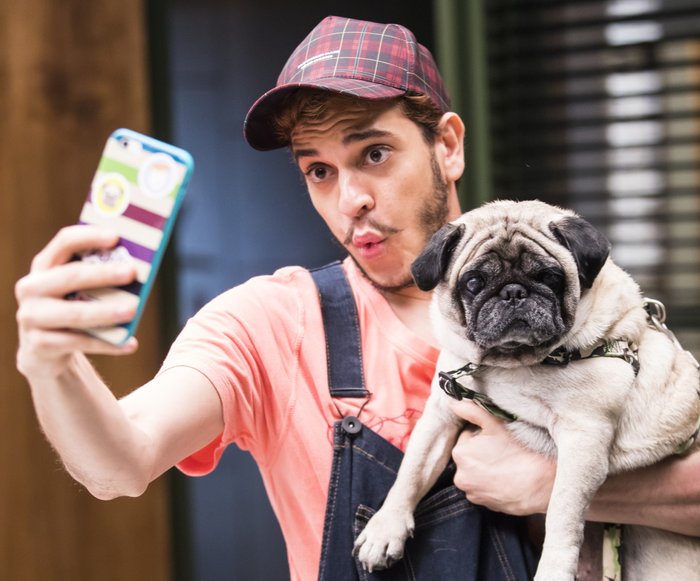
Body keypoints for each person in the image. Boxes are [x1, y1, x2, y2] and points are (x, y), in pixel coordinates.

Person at [15, 15, 700, 581]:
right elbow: (120, 462)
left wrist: (553, 482)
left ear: (448, 145)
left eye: (373, 153)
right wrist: (52, 365)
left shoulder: (581, 307)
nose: (351, 201)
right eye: (318, 170)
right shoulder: (272, 325)